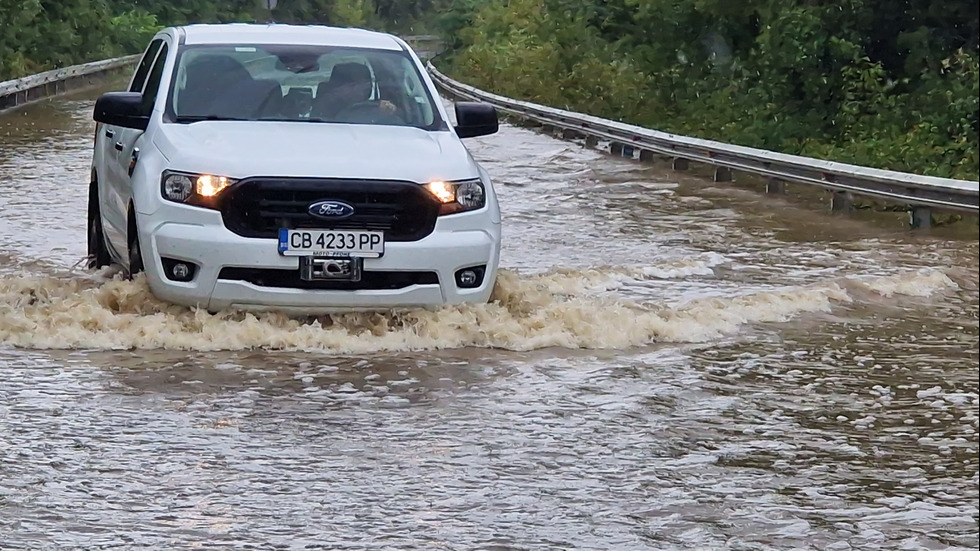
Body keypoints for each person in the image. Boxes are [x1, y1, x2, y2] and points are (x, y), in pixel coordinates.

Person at [313, 62, 397, 122]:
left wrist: (388, 110)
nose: (363, 88)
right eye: (354, 85)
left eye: (366, 83)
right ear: (340, 87)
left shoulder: (377, 107)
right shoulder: (326, 103)